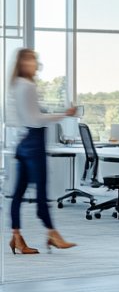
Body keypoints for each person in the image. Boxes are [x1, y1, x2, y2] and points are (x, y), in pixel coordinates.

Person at [8, 48, 78, 254]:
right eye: (29, 60)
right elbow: (36, 119)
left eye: (34, 60)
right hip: (34, 144)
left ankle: (17, 237)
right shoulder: (28, 86)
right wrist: (64, 114)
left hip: (23, 143)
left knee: (18, 193)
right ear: (22, 64)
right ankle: (52, 233)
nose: (33, 64)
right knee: (41, 192)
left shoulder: (16, 85)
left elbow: (18, 118)